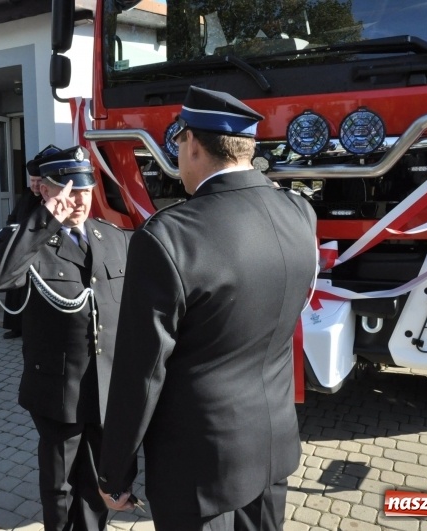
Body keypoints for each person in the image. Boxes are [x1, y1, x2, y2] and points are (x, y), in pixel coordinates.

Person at [97, 86, 318, 530]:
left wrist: (114, 470)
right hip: (272, 445)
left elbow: (140, 373)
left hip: (199, 468)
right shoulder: (299, 212)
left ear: (192, 144)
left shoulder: (168, 236)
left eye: (178, 142)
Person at [0, 146, 130, 531]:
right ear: (44, 190)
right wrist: (46, 219)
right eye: (69, 192)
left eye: (85, 191)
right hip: (58, 387)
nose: (78, 201)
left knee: (96, 478)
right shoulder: (27, 240)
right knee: (60, 485)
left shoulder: (112, 236)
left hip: (105, 384)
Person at [1, 145, 59, 339]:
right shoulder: (26, 195)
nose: (34, 185)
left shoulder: (48, 199)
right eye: (32, 181)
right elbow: (14, 217)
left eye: (37, 181)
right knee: (15, 290)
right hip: (20, 248)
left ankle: (30, 329)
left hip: (39, 252)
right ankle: (15, 326)